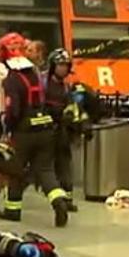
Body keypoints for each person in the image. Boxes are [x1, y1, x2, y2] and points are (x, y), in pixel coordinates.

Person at [0, 32, 70, 227]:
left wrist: (8, 130)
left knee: (15, 170)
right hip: (45, 127)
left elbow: (13, 109)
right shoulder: (36, 74)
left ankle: (12, 210)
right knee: (45, 170)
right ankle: (59, 201)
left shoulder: (12, 78)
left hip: (24, 131)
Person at [45, 48, 81, 212]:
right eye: (60, 65)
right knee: (41, 168)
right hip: (46, 130)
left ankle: (66, 200)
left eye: (66, 65)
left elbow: (72, 109)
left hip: (62, 132)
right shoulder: (43, 83)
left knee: (64, 165)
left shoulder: (67, 87)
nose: (64, 68)